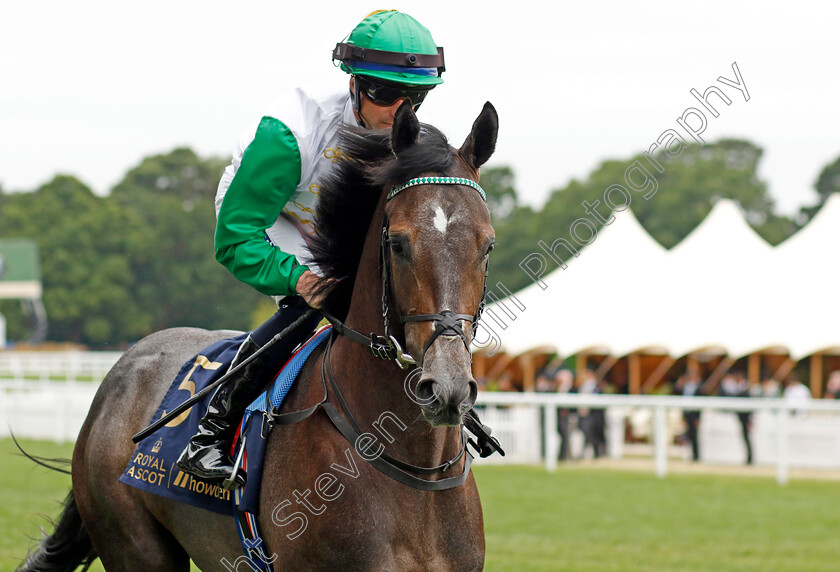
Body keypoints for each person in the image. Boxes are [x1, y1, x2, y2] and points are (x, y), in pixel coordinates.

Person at [176, 10, 447, 486]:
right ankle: (211, 430)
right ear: (354, 84)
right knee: (315, 303)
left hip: (335, 224)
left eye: (415, 97)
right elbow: (235, 237)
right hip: (271, 217)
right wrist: (299, 278)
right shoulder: (289, 135)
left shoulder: (409, 139)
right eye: (384, 93)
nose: (398, 110)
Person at [675, 369, 702, 462]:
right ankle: (689, 454)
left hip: (694, 416)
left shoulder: (699, 388)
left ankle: (696, 455)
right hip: (687, 414)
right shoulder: (685, 387)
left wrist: (698, 418)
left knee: (694, 436)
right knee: (688, 436)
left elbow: (700, 405)